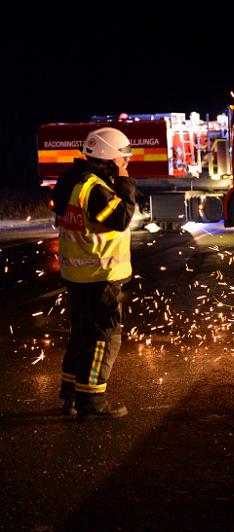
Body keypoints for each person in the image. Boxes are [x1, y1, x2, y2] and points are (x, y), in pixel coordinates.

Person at [52, 127, 137, 419]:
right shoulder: (94, 189)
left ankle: (71, 396)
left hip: (77, 275)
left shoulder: (69, 182)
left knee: (81, 335)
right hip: (100, 275)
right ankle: (93, 402)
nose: (125, 163)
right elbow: (121, 217)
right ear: (109, 157)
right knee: (105, 336)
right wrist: (125, 180)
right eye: (122, 158)